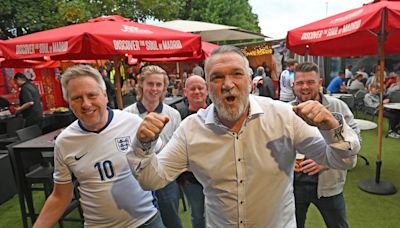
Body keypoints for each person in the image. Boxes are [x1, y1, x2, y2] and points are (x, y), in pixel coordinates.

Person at [126, 45, 360, 227]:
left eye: (236, 74)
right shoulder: (191, 130)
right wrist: (143, 145)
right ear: (208, 86)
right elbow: (151, 180)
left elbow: (343, 160)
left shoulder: (283, 116)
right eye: (217, 77)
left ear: (249, 81)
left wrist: (332, 128)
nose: (228, 85)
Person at [33, 65, 162, 228]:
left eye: (92, 95)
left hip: (146, 221)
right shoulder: (64, 142)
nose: (86, 104)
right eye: (77, 98)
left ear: (105, 96)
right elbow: (60, 195)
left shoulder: (132, 122)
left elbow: (163, 160)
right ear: (69, 103)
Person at [291, 62, 361, 228]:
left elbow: (356, 140)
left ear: (320, 83)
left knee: (337, 225)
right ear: (293, 86)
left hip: (329, 184)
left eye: (310, 82)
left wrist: (325, 162)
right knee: (294, 225)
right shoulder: (288, 109)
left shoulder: (338, 106)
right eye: (300, 83)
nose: (305, 87)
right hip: (295, 185)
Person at [124, 65, 183, 228]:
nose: (154, 88)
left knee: (171, 220)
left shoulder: (173, 114)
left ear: (164, 87)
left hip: (165, 177)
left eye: (159, 84)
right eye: (150, 84)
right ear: (141, 84)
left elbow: (177, 147)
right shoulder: (128, 114)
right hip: (137, 178)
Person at [174, 75, 208, 228]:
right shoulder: (179, 117)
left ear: (206, 90)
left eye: (200, 88)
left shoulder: (218, 112)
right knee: (197, 215)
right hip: (191, 179)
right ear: (185, 92)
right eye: (192, 88)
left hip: (216, 175)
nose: (197, 92)